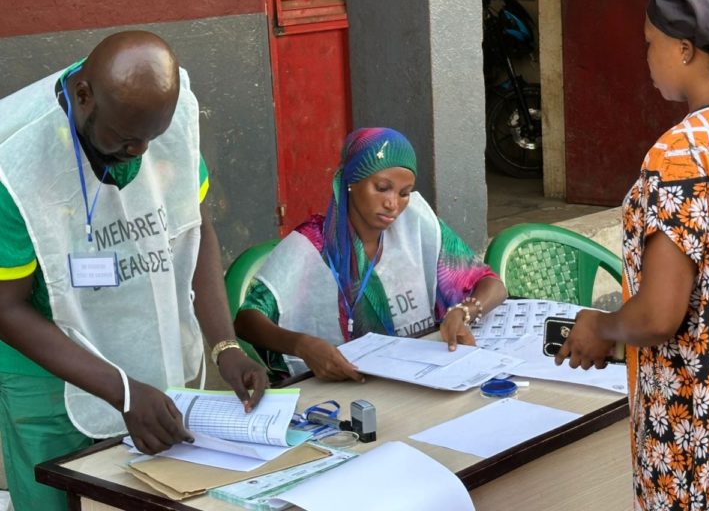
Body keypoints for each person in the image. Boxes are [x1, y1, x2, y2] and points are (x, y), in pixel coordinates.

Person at [0, 31, 268, 510]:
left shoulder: (157, 116)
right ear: (84, 98)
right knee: (57, 497)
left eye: (151, 139)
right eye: (126, 139)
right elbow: (6, 307)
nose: (140, 153)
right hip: (47, 373)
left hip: (139, 335)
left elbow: (194, 227)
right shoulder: (15, 159)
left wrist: (224, 344)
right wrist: (120, 390)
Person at [554, 0, 709, 509]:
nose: (645, 56)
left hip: (698, 440)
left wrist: (600, 328)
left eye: (651, 42)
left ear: (686, 48)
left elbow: (657, 316)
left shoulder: (678, 153)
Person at [234, 127, 508, 381]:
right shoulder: (312, 245)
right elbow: (247, 320)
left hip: (415, 377)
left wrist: (464, 311)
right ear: (352, 182)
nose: (392, 204)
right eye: (381, 188)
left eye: (404, 193)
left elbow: (492, 284)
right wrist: (302, 345)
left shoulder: (416, 225)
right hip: (338, 388)